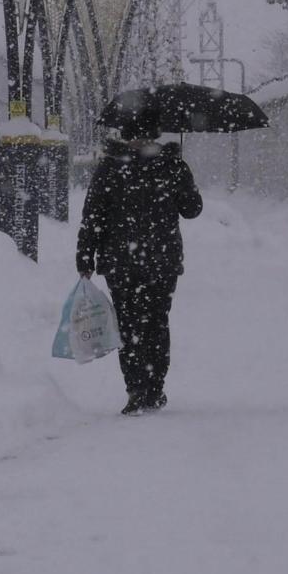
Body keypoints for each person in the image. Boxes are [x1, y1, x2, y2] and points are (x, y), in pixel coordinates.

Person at [76, 113, 203, 416]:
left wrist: (85, 256)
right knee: (157, 322)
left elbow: (93, 215)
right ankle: (155, 387)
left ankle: (136, 389)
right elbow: (192, 210)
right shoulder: (172, 166)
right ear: (157, 133)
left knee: (129, 324)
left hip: (121, 262)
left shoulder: (110, 166)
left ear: (124, 133)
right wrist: (184, 179)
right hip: (162, 261)